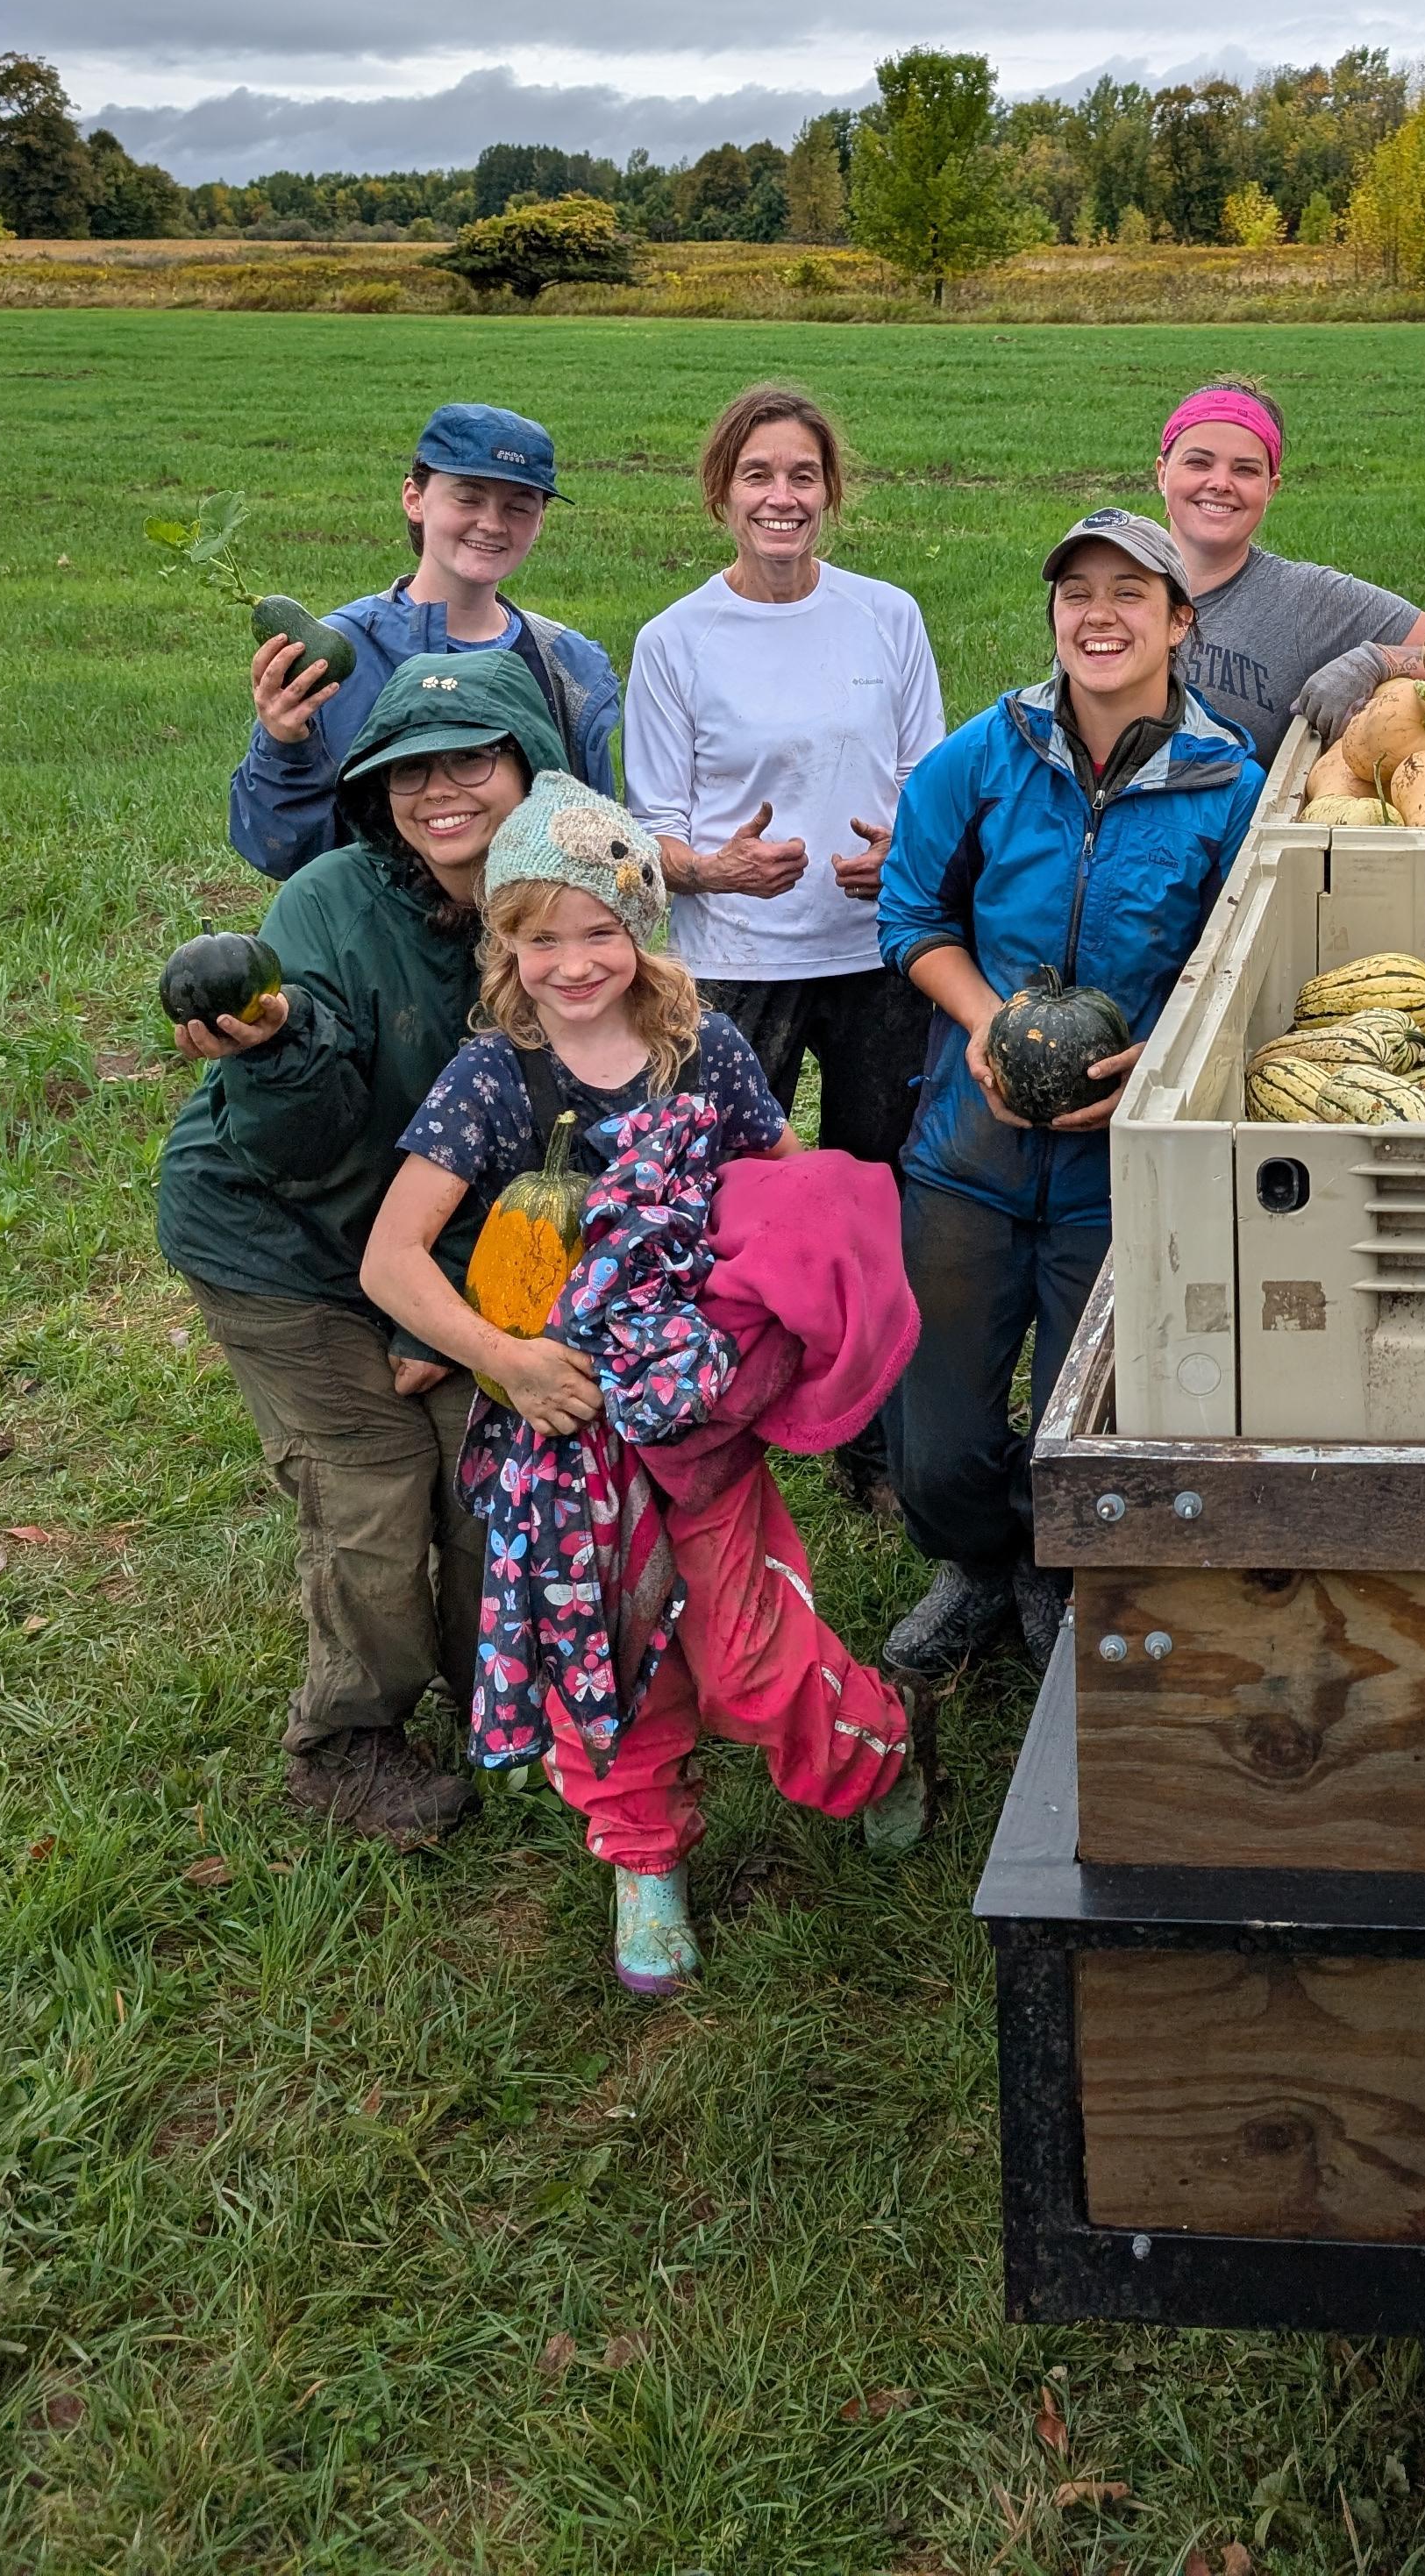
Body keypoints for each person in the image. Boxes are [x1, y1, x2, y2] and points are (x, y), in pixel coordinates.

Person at [360, 774, 915, 1996]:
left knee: (750, 1660)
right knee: (604, 1660)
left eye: (600, 930)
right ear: (505, 942)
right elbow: (391, 1260)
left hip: (696, 1427)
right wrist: (501, 1358)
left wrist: (776, 1316)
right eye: (541, 937)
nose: (573, 964)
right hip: (565, 1442)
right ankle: (643, 1860)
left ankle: (874, 1748)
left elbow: (784, 1180)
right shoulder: (492, 1081)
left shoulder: (700, 1047)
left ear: (643, 926)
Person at [157, 651, 570, 1842]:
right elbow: (305, 1146)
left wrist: (437, 1311)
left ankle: (495, 1683)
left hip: (429, 1248)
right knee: (371, 1492)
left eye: (471, 762)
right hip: (278, 1239)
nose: (440, 792)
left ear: (527, 769)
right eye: (405, 773)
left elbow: (560, 1144)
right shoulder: (327, 904)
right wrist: (277, 1045)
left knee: (483, 1469)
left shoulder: (563, 909)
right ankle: (346, 1738)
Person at [874, 511, 1260, 1678]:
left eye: (1130, 595)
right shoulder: (983, 757)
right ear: (1052, 616)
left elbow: (1241, 965)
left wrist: (1161, 1053)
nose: (1099, 615)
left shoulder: (1230, 787)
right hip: (969, 1155)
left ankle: (1052, 1575)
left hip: (1122, 1173)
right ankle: (978, 1563)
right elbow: (912, 917)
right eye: (1076, 593)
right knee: (934, 1444)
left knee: (1081, 1423)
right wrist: (989, 1021)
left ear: (1180, 621)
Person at [622, 381, 944, 1176]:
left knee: (881, 1172)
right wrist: (712, 870)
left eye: (803, 476)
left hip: (879, 954)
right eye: (756, 474)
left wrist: (900, 854)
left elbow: (925, 781)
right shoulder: (675, 641)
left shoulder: (888, 615)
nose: (782, 498)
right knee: (727, 1177)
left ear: (830, 490)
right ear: (721, 493)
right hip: (737, 963)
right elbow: (651, 829)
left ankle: (871, 1305)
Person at [229, 400, 622, 880]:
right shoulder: (340, 654)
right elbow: (283, 853)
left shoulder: (569, 665)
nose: (493, 523)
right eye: (468, 497)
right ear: (415, 499)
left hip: (528, 946)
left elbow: (597, 849)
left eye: (519, 506)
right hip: (383, 944)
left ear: (539, 521)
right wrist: (282, 744)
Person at [1149, 375, 1425, 761]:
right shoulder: (1106, 581)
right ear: (1162, 473)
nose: (1220, 483)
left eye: (1246, 470)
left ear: (1271, 488)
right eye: (1199, 462)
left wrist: (1378, 661)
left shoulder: (1306, 599)